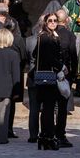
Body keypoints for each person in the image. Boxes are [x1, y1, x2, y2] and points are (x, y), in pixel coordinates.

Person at [31, 13, 64, 150]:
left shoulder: (46, 36)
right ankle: (48, 137)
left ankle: (44, 137)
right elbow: (49, 57)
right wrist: (61, 66)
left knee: (46, 108)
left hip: (45, 75)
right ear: (45, 22)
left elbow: (35, 54)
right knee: (48, 108)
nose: (52, 23)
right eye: (50, 21)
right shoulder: (46, 37)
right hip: (48, 76)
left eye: (55, 21)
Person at [54, 9, 77, 147]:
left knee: (50, 106)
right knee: (62, 107)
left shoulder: (50, 33)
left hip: (52, 73)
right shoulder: (69, 35)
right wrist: (73, 74)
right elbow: (73, 55)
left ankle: (49, 133)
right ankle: (60, 135)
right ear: (67, 20)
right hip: (65, 74)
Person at [4, 14, 27, 140]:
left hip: (3, 72)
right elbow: (24, 56)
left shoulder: (0, 38)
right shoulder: (18, 40)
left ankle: (3, 128)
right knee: (11, 103)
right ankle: (8, 129)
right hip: (15, 73)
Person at [25, 23, 40, 143]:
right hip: (45, 76)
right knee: (46, 108)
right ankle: (46, 132)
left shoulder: (28, 40)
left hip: (32, 76)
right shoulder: (49, 39)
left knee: (34, 108)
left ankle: (33, 135)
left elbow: (25, 58)